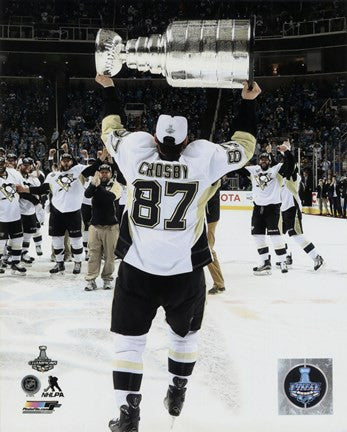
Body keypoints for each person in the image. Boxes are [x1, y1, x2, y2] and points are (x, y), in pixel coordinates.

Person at [95, 74, 260, 432]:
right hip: (185, 271)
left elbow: (111, 126)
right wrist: (247, 103)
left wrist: (108, 88)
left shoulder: (135, 151)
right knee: (184, 337)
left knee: (128, 345)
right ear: (188, 140)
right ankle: (177, 387)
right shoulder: (204, 158)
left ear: (154, 137)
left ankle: (127, 415)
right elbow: (244, 146)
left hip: (137, 268)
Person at [16, 152, 103, 274]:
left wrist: (103, 155)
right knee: (57, 239)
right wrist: (25, 189)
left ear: (72, 161)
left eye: (68, 160)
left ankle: (77, 263)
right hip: (57, 213)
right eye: (64, 160)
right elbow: (42, 189)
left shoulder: (78, 171)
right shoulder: (52, 175)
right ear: (60, 162)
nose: (66, 162)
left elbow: (94, 168)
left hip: (73, 212)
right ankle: (59, 263)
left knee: (76, 240)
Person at [236, 140, 295, 275]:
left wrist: (286, 151)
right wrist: (242, 155)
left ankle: (282, 260)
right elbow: (238, 168)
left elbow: (290, 166)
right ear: (258, 161)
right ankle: (265, 262)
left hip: (272, 208)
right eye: (261, 159)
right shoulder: (253, 170)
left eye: (266, 159)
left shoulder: (276, 170)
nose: (263, 161)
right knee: (257, 235)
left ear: (270, 161)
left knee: (275, 235)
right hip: (258, 208)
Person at [278, 164, 324, 271]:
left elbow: (292, 165)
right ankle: (286, 257)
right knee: (278, 234)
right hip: (282, 209)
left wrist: (287, 152)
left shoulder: (293, 177)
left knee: (297, 235)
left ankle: (316, 256)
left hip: (292, 209)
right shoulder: (280, 178)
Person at [84, 163, 121, 291]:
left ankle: (107, 279)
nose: (104, 174)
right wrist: (93, 184)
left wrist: (98, 186)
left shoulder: (116, 186)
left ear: (111, 174)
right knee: (93, 254)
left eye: (106, 172)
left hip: (111, 227)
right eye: (102, 172)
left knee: (110, 256)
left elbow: (109, 198)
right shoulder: (95, 184)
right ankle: (91, 279)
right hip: (95, 225)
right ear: (99, 173)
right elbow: (87, 195)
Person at [0, 156, 26, 274]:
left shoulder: (14, 174)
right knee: (1, 241)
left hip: (15, 213)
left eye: (2, 163)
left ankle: (16, 263)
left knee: (18, 239)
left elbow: (22, 189)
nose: (0, 165)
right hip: (1, 215)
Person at [205, 182, 226, 294]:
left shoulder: (212, 177)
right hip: (204, 217)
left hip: (209, 218)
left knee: (207, 250)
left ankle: (219, 284)